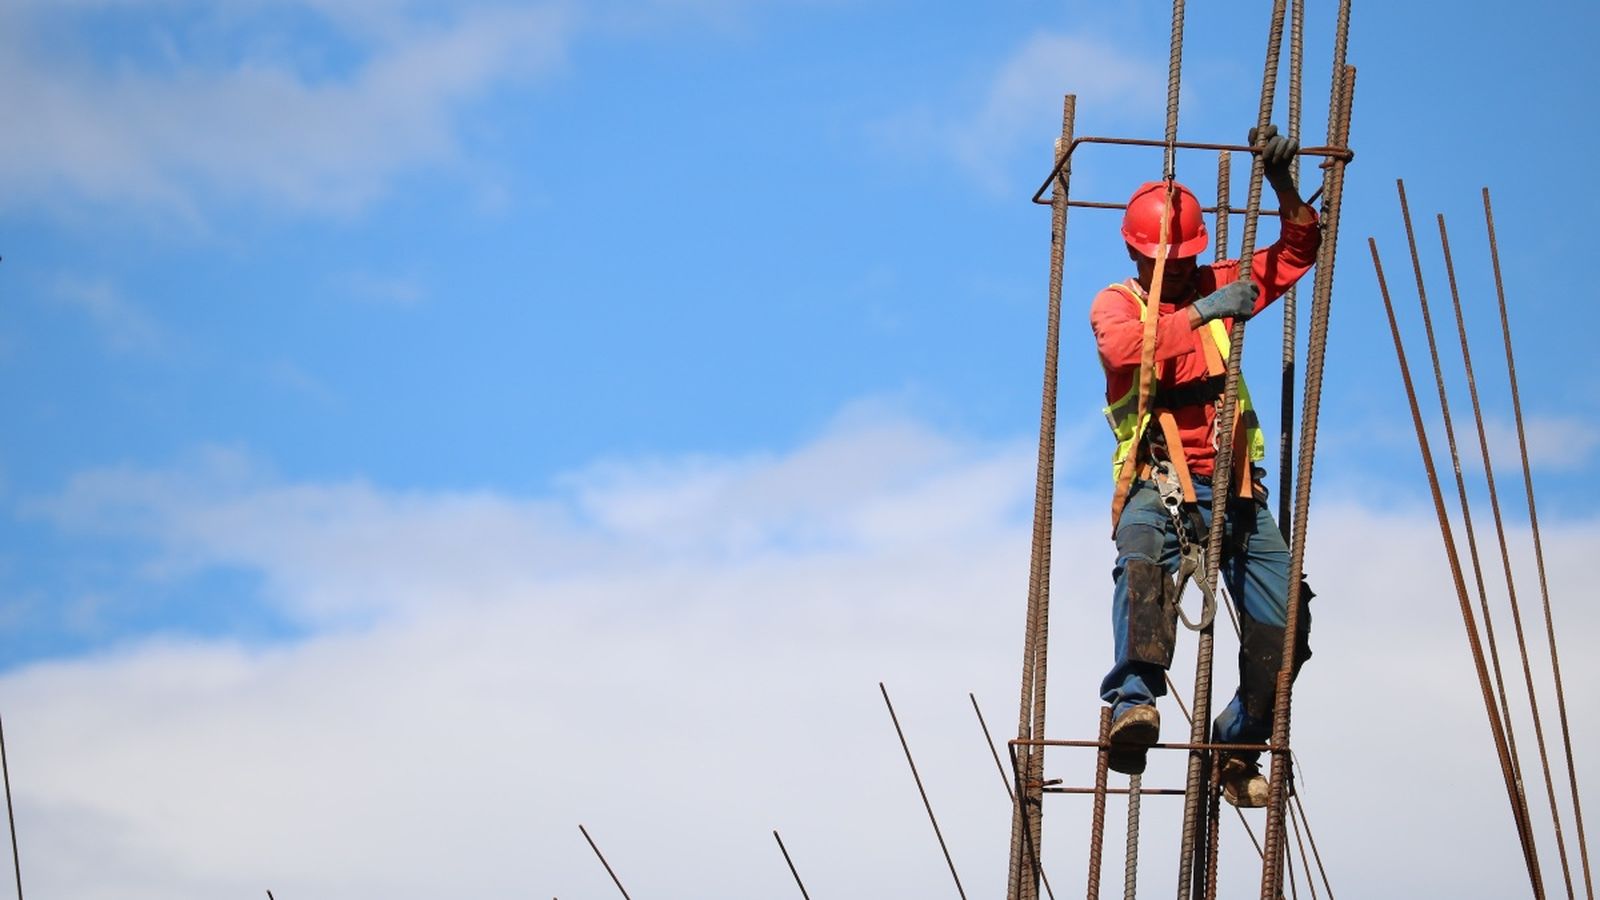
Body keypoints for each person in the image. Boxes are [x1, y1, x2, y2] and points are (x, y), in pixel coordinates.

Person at [1088, 125, 1318, 807]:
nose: (1184, 270)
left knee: (1287, 637)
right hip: (1159, 485)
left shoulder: (1218, 283)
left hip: (1237, 494)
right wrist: (1203, 310)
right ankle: (1134, 700)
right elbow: (1127, 350)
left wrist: (1282, 187)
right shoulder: (1117, 305)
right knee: (1141, 560)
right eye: (1171, 260)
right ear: (1138, 252)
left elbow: (1297, 251)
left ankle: (1235, 743)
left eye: (1190, 259)